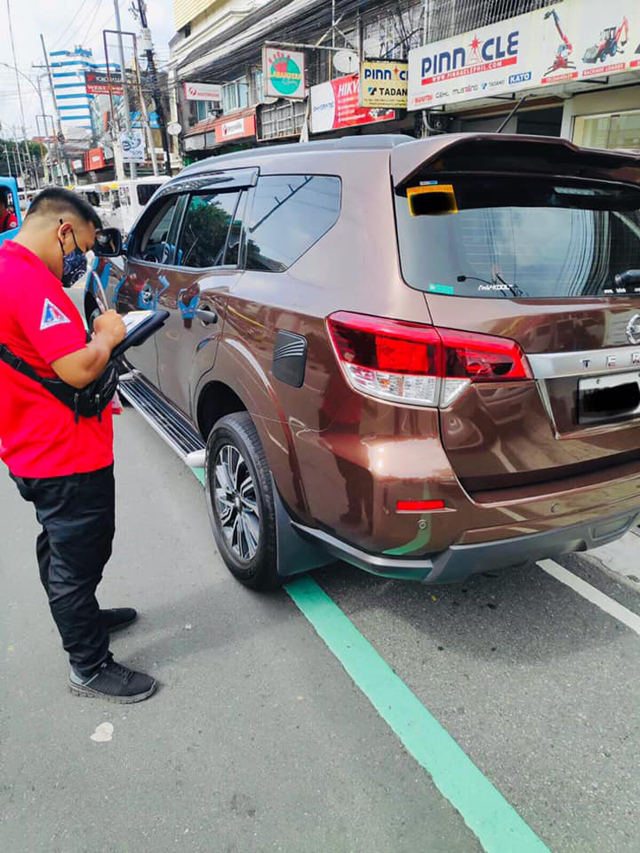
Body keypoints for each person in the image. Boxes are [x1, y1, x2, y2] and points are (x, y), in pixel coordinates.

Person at [0, 188, 156, 703]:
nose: (82, 261)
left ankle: (84, 619)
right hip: (60, 452)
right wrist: (108, 335)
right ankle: (88, 666)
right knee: (79, 553)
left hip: (38, 444)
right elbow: (76, 367)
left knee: (64, 546)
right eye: (83, 248)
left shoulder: (10, 267)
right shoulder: (26, 280)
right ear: (62, 229)